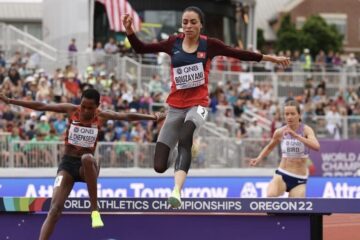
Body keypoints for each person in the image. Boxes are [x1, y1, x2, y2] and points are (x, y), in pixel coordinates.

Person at [122, 6, 290, 208]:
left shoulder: (209, 45)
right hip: (175, 107)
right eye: (185, 22)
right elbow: (141, 49)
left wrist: (270, 58)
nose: (189, 26)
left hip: (199, 105)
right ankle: (177, 154)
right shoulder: (173, 43)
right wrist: (130, 31)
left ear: (201, 24)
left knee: (186, 136)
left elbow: (239, 53)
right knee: (159, 166)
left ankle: (176, 191)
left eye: (193, 22)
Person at [0, 88, 165, 240]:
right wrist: (10, 101)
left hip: (88, 167)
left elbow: (127, 117)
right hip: (68, 164)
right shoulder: (72, 110)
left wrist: (153, 117)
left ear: (97, 106)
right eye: (83, 106)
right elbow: (42, 105)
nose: (86, 111)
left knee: (86, 158)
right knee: (54, 210)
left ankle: (94, 211)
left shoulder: (101, 115)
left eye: (90, 108)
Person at [249, 100, 320, 197]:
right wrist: (259, 158)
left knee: (295, 210)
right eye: (286, 114)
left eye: (292, 114)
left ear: (299, 115)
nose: (289, 117)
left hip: (299, 178)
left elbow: (316, 146)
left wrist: (297, 136)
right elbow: (269, 147)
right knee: (271, 196)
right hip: (282, 174)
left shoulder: (306, 130)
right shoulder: (280, 132)